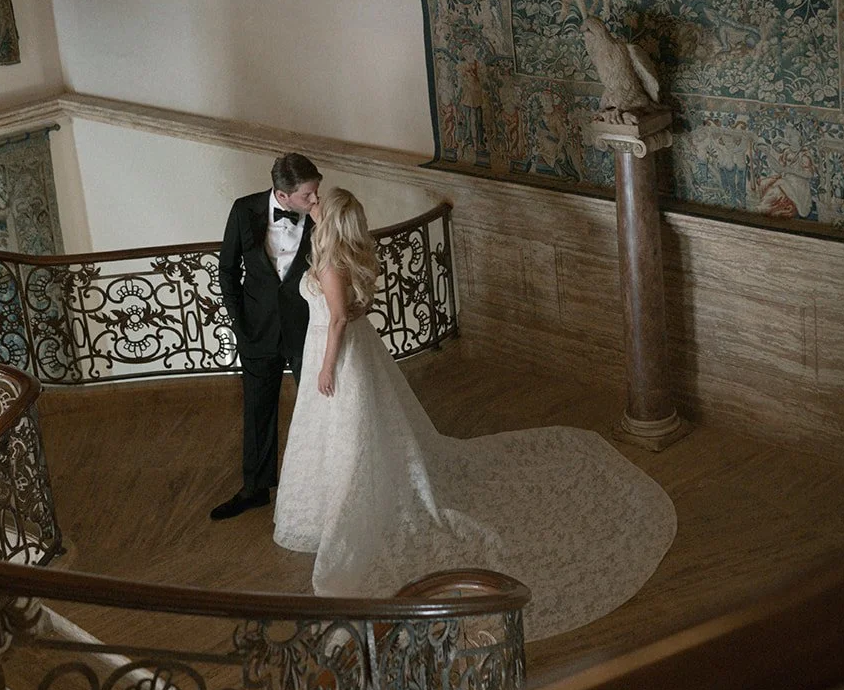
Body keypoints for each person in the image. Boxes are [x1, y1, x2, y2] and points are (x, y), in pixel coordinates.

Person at [273, 189, 677, 640]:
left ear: (331, 223)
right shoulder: (347, 254)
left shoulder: (330, 263)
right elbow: (355, 307)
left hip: (339, 356)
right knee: (359, 433)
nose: (315, 207)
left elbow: (339, 319)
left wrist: (326, 367)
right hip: (356, 354)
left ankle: (356, 500)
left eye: (320, 206)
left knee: (352, 436)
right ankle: (355, 489)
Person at [211, 152, 322, 520]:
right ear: (283, 195)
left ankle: (320, 487)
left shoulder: (321, 218)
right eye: (308, 196)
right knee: (257, 412)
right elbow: (227, 270)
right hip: (256, 330)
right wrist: (240, 325)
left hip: (305, 327)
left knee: (316, 408)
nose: (315, 201)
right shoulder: (244, 210)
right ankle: (255, 489)